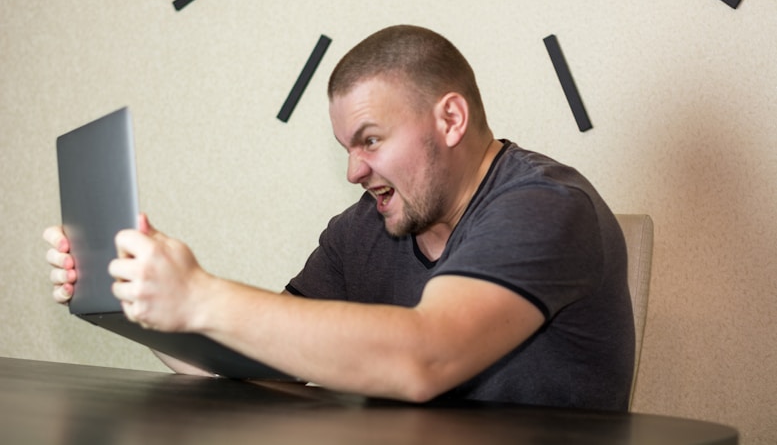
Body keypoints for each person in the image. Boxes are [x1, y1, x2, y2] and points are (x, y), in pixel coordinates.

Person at [44, 25, 634, 410]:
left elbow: (424, 357)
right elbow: (261, 369)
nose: (355, 171)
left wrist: (200, 296)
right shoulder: (364, 228)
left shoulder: (546, 205)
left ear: (450, 120)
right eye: (346, 148)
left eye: (370, 140)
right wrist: (133, 303)